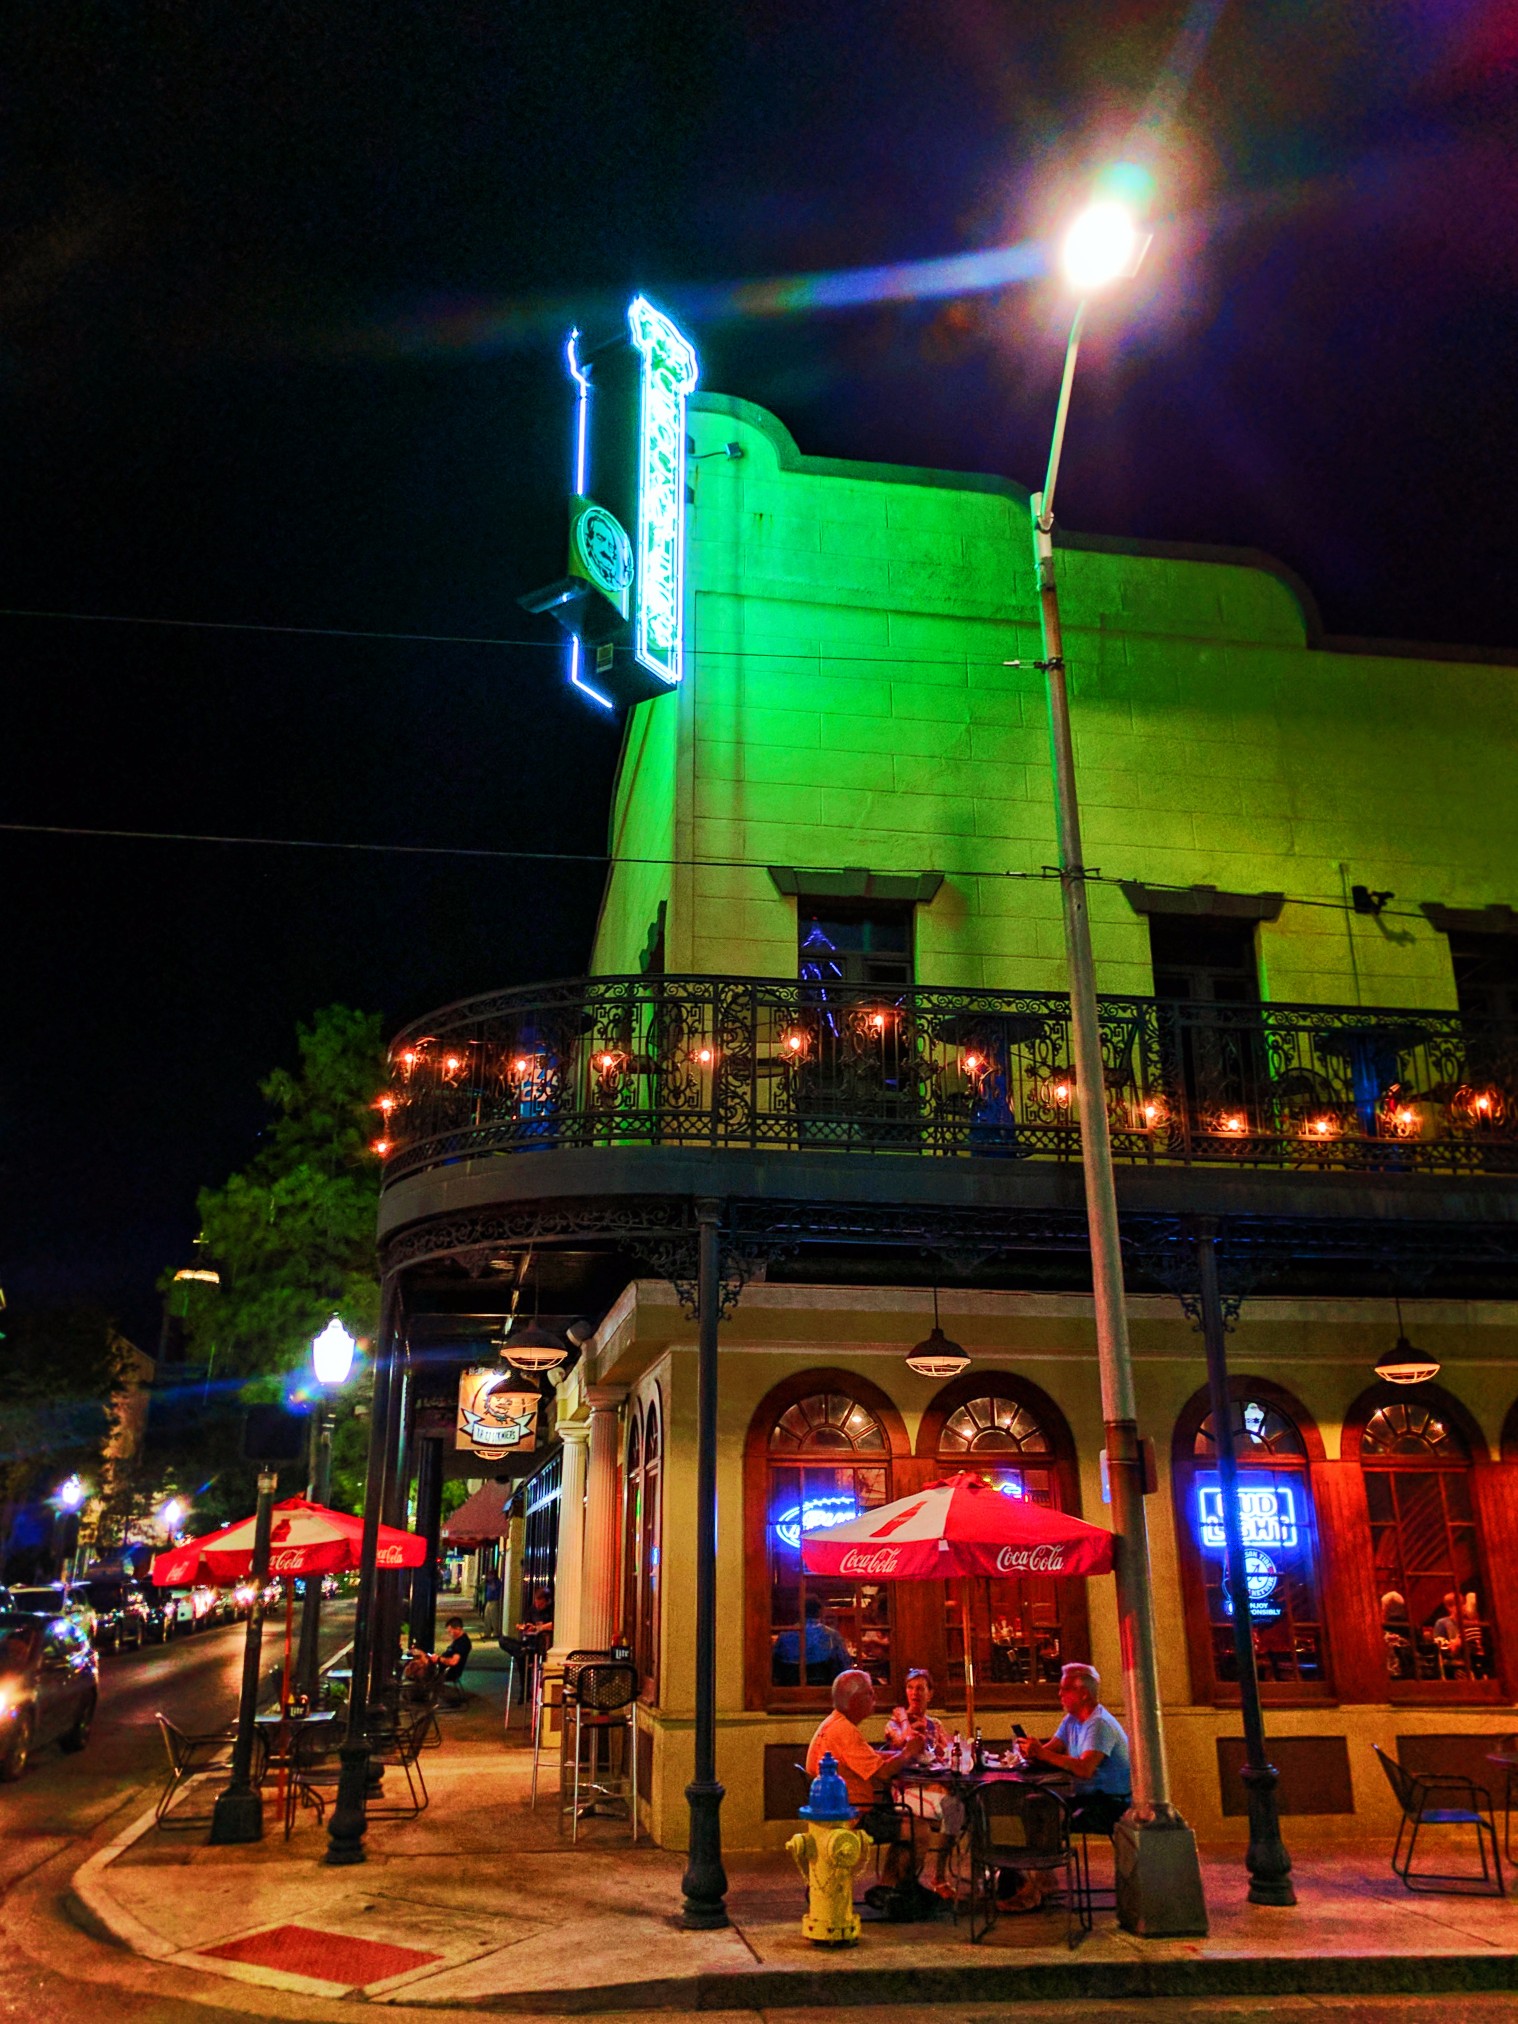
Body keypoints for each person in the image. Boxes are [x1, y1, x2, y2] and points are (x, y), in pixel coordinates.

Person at [1005, 1662, 1131, 1911]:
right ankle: (1043, 1880)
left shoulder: (1099, 1724)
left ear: (1083, 1693)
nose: (1059, 1694)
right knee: (1032, 1804)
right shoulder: (1072, 1719)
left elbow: (1085, 1769)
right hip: (1088, 1796)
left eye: (1065, 1689)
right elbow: (1052, 1750)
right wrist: (1033, 1752)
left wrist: (1042, 1753)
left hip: (1110, 1804)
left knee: (1047, 1811)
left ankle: (1037, 1888)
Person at [806, 1668, 926, 1894]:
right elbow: (881, 1774)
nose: (875, 1699)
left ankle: (888, 1886)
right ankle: (899, 1892)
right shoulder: (844, 1731)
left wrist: (897, 1753)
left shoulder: (835, 1724)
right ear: (853, 1701)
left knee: (906, 1820)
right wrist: (908, 1753)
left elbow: (868, 1758)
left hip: (840, 1809)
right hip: (852, 1816)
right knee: (918, 1829)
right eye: (870, 1694)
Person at [772, 1594, 852, 1685]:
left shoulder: (784, 1636)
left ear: (799, 1611)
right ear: (820, 1612)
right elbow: (845, 1668)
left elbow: (773, 1669)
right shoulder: (832, 1636)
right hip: (825, 1692)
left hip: (788, 1692)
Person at [481, 1570, 503, 1640]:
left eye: (489, 1575)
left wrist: (491, 1582)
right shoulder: (488, 1583)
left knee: (494, 1618)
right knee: (487, 1617)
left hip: (494, 1601)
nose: (488, 1577)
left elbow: (494, 1589)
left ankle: (496, 1633)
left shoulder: (496, 1582)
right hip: (489, 1601)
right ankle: (487, 1633)